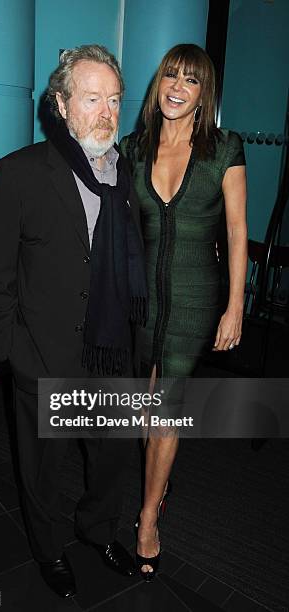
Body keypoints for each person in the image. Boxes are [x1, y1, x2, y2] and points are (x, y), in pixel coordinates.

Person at [0, 44, 148, 598]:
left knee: (111, 456)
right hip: (44, 355)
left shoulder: (127, 177)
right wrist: (16, 356)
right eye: (93, 98)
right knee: (43, 467)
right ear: (61, 104)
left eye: (115, 100)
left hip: (111, 350)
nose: (107, 112)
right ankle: (48, 548)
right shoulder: (20, 174)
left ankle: (98, 531)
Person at [120, 43, 247, 580]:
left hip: (196, 298)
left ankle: (148, 516)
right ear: (158, 84)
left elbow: (239, 232)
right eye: (171, 75)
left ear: (203, 94)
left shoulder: (225, 149)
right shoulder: (133, 148)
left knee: (165, 409)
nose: (178, 86)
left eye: (191, 81)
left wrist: (236, 306)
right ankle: (159, 477)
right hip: (140, 298)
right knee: (147, 407)